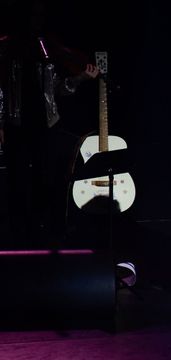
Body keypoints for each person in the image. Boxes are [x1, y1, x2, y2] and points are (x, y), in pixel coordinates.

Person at [0, 0, 99, 243]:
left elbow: (56, 89)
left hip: (46, 123)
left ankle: (40, 230)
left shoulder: (46, 51)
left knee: (44, 179)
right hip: (17, 123)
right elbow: (1, 90)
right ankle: (17, 232)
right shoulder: (8, 49)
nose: (36, 21)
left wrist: (80, 78)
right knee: (17, 180)